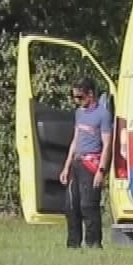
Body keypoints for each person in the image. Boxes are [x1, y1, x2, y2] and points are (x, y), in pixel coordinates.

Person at [56, 77, 113, 248]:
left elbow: (107, 144)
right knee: (71, 206)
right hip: (77, 163)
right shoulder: (79, 113)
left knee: (88, 205)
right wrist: (66, 166)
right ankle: (73, 244)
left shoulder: (103, 114)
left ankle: (93, 243)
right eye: (74, 97)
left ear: (91, 94)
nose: (77, 101)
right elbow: (75, 140)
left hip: (91, 164)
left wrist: (101, 171)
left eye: (80, 97)